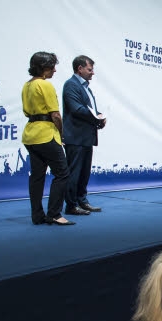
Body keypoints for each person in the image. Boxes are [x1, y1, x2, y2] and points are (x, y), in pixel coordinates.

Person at [20, 52, 73, 226]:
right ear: (43, 68)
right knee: (62, 173)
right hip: (46, 134)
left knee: (37, 176)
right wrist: (62, 134)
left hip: (30, 135)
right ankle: (54, 214)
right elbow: (56, 115)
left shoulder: (27, 85)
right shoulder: (45, 85)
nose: (55, 70)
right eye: (52, 67)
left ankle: (37, 215)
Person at [63, 55, 107, 216]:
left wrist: (98, 118)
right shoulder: (71, 85)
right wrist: (96, 117)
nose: (93, 73)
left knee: (84, 172)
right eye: (90, 69)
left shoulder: (86, 87)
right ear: (79, 69)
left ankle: (82, 200)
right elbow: (77, 109)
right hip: (75, 137)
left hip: (86, 136)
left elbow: (88, 110)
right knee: (74, 173)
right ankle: (71, 205)